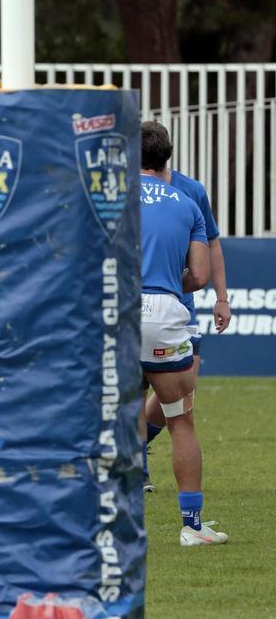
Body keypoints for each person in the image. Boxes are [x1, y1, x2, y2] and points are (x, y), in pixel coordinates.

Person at [136, 121, 226, 546]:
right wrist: (171, 282)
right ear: (167, 158)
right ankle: (192, 526)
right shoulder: (185, 201)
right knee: (180, 420)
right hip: (163, 310)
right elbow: (201, 274)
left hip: (114, 310)